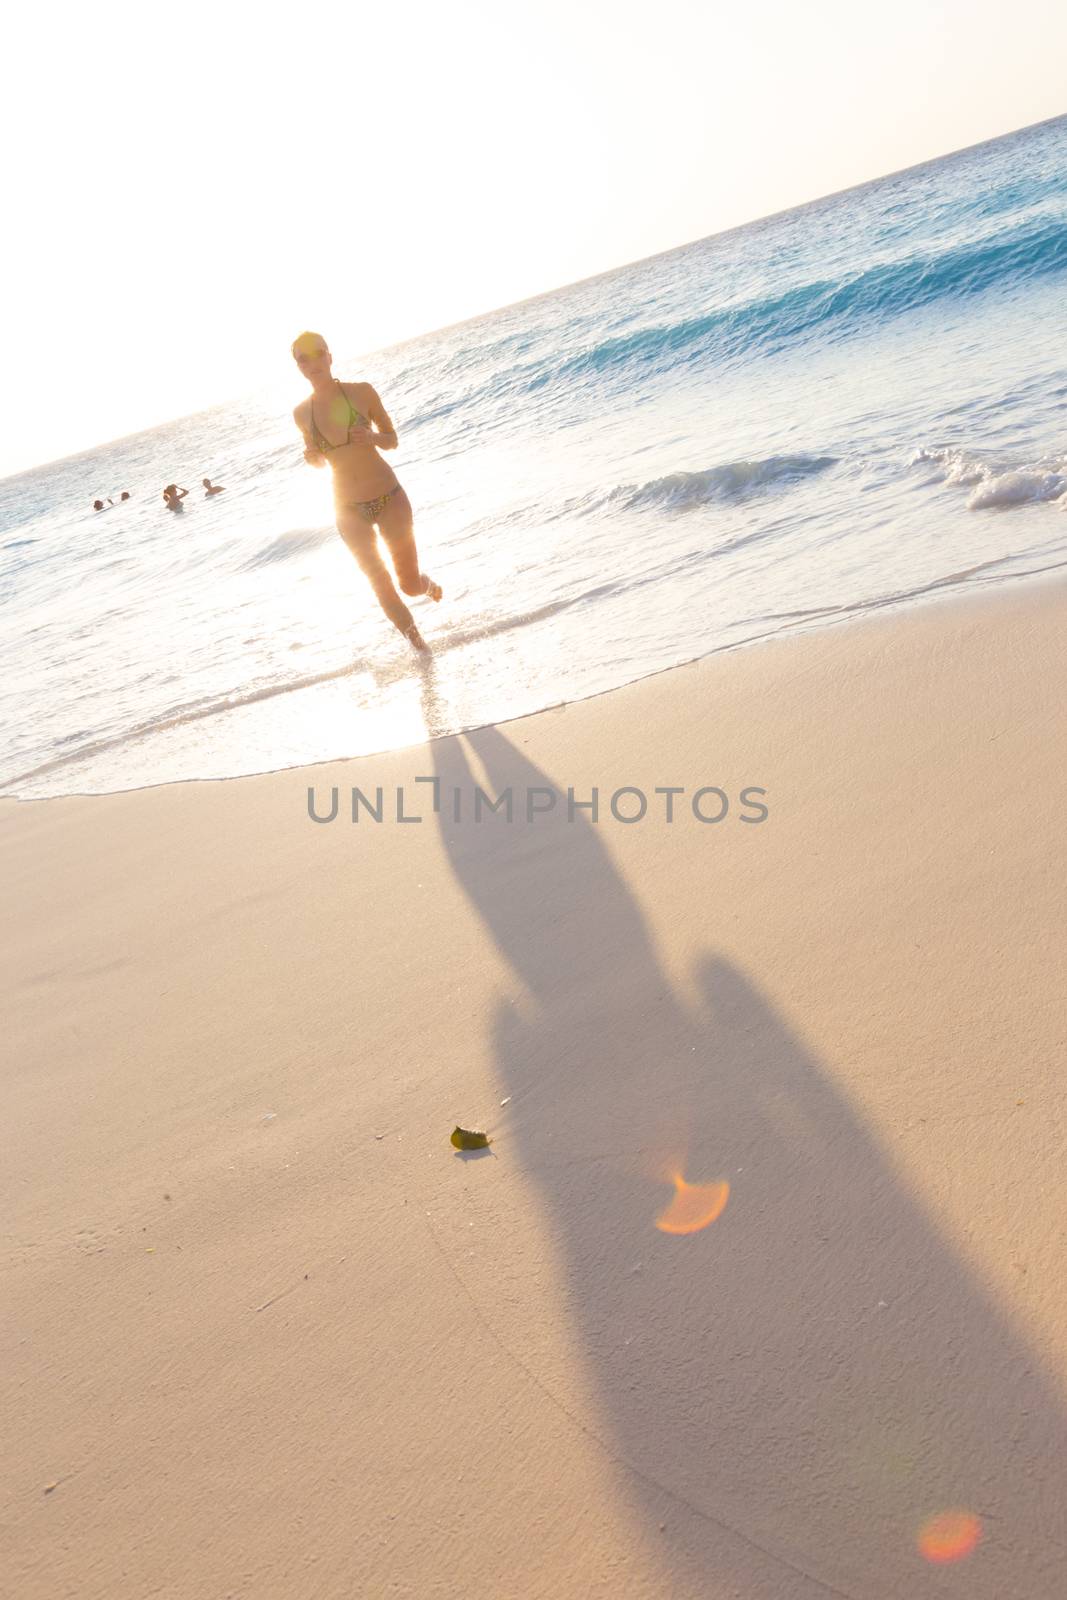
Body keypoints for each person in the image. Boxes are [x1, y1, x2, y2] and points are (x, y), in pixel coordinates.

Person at [290, 331, 442, 653]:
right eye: (303, 358)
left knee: (408, 584)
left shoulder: (362, 393)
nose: (312, 362)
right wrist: (314, 459)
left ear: (329, 356)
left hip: (389, 497)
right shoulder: (302, 414)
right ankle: (422, 651)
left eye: (318, 353)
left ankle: (426, 585)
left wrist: (372, 437)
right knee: (381, 586)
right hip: (347, 509)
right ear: (299, 367)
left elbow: (392, 439)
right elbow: (318, 461)